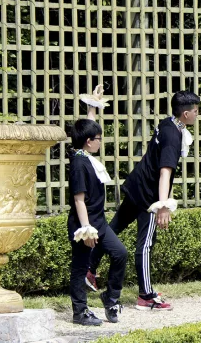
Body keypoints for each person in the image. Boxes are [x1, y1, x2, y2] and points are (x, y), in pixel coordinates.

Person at [87, 90, 200, 310]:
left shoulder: (168, 123)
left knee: (113, 228)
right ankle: (146, 296)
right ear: (186, 114)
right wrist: (163, 206)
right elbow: (165, 172)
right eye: (196, 111)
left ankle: (89, 269)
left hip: (135, 186)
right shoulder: (173, 136)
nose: (197, 115)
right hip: (148, 196)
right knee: (146, 244)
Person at [68, 85, 127, 326]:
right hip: (86, 224)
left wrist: (93, 105)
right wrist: (86, 231)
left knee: (120, 254)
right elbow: (78, 200)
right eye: (98, 139)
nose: (101, 141)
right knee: (81, 268)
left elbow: (88, 128)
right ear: (89, 142)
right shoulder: (79, 164)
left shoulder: (87, 156)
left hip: (99, 222)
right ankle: (79, 312)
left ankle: (110, 298)